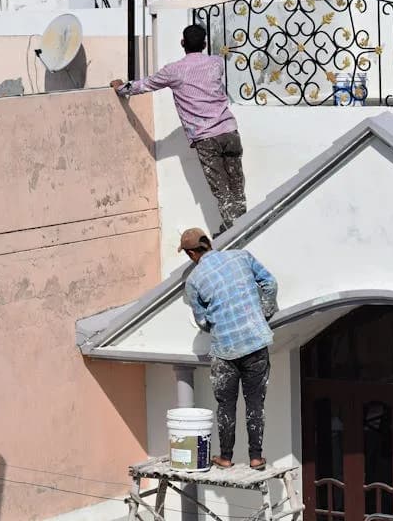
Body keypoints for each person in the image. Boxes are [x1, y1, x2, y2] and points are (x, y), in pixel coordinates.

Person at [110, 25, 247, 236]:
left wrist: (121, 87)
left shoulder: (174, 71)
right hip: (229, 131)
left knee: (223, 193)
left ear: (182, 43)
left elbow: (144, 85)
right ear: (204, 44)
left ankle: (234, 234)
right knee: (237, 189)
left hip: (205, 139)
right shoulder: (216, 63)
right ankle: (240, 227)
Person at [179, 227, 278, 470]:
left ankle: (225, 457)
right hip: (255, 342)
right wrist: (263, 312)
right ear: (209, 242)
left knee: (226, 405)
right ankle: (256, 457)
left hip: (224, 349)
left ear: (191, 254)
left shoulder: (193, 281)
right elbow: (269, 282)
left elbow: (202, 320)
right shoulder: (241, 256)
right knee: (255, 402)